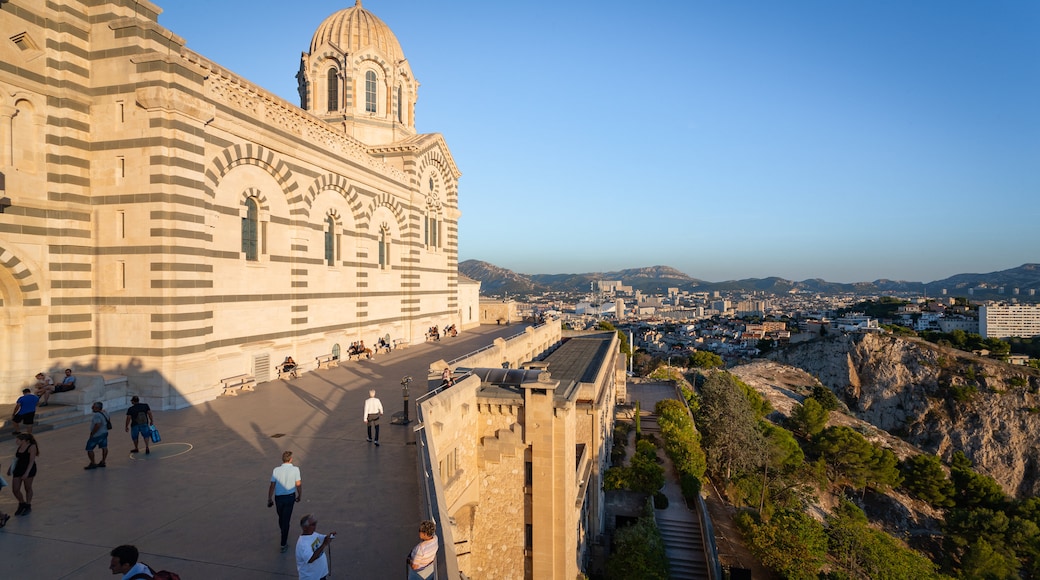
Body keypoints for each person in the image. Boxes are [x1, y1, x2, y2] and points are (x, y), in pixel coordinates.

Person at [268, 450, 302, 553]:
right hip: (290, 497)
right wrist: (300, 495)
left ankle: (283, 534)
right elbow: (298, 484)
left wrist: (269, 498)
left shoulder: (276, 470)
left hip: (278, 498)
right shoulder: (296, 469)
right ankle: (283, 543)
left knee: (282, 517)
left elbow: (272, 485)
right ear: (291, 459)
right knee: (286, 520)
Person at [296, 514, 335, 580]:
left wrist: (329, 536)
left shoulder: (313, 534)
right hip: (312, 577)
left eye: (315, 523)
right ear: (305, 527)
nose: (315, 526)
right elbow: (310, 559)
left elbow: (322, 538)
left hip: (320, 575)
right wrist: (324, 544)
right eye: (313, 524)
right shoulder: (303, 544)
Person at [11, 432, 38, 516]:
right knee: (15, 489)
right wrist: (10, 468)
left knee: (28, 487)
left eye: (18, 440)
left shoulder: (32, 447)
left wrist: (27, 473)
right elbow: (17, 458)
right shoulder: (20, 446)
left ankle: (28, 504)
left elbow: (31, 461)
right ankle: (21, 503)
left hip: (28, 469)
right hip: (18, 469)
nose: (16, 441)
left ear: (24, 441)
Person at [85, 401, 110, 470]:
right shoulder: (105, 412)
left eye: (93, 407)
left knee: (89, 448)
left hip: (97, 434)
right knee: (104, 447)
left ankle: (93, 463)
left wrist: (92, 433)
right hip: (105, 432)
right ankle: (103, 461)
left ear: (96, 408)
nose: (92, 408)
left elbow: (97, 425)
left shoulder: (97, 415)